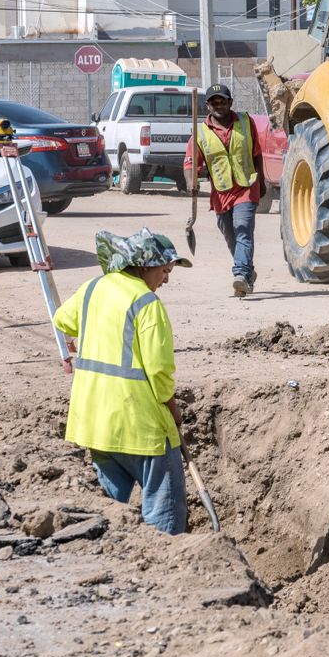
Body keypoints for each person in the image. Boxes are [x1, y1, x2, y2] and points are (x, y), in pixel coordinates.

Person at [54, 229, 192, 535]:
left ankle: (106, 550)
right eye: (164, 271)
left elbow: (62, 319)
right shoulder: (146, 303)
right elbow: (159, 371)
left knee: (108, 510)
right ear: (144, 266)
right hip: (140, 425)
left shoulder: (93, 288)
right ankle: (166, 556)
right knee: (164, 506)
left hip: (95, 423)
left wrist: (83, 337)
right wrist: (173, 409)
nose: (166, 280)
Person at [183, 83, 264, 298]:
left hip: (246, 187)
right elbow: (190, 164)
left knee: (243, 228)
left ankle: (240, 275)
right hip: (221, 193)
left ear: (230, 103)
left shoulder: (245, 122)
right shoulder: (200, 133)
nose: (219, 105)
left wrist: (263, 181)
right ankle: (248, 271)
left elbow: (256, 154)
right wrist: (191, 183)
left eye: (223, 101)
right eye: (214, 102)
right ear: (208, 106)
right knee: (231, 235)